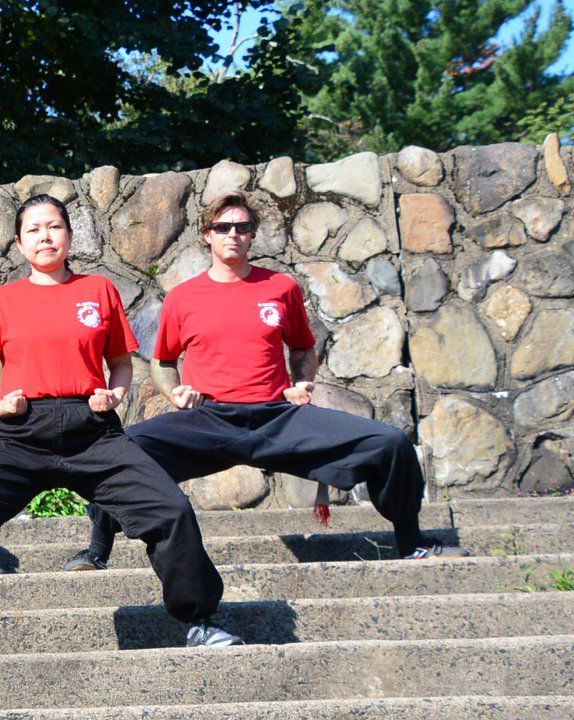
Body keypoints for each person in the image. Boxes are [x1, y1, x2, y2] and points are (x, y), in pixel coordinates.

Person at [66, 191, 467, 574]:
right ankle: (98, 549)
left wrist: (304, 383)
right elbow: (162, 361)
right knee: (120, 450)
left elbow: (303, 351)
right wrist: (175, 392)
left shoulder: (281, 288)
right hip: (210, 419)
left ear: (253, 233)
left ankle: (411, 541)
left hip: (277, 419)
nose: (233, 235)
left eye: (242, 227)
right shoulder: (183, 297)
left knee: (390, 443)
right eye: (223, 228)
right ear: (207, 234)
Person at [0, 194, 235, 656]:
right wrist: (0, 405)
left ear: (69, 235)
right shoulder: (3, 301)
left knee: (171, 510)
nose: (46, 236)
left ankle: (200, 620)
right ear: (20, 245)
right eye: (34, 230)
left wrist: (115, 395)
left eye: (55, 227)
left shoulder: (98, 290)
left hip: (93, 429)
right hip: (21, 434)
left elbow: (121, 363)